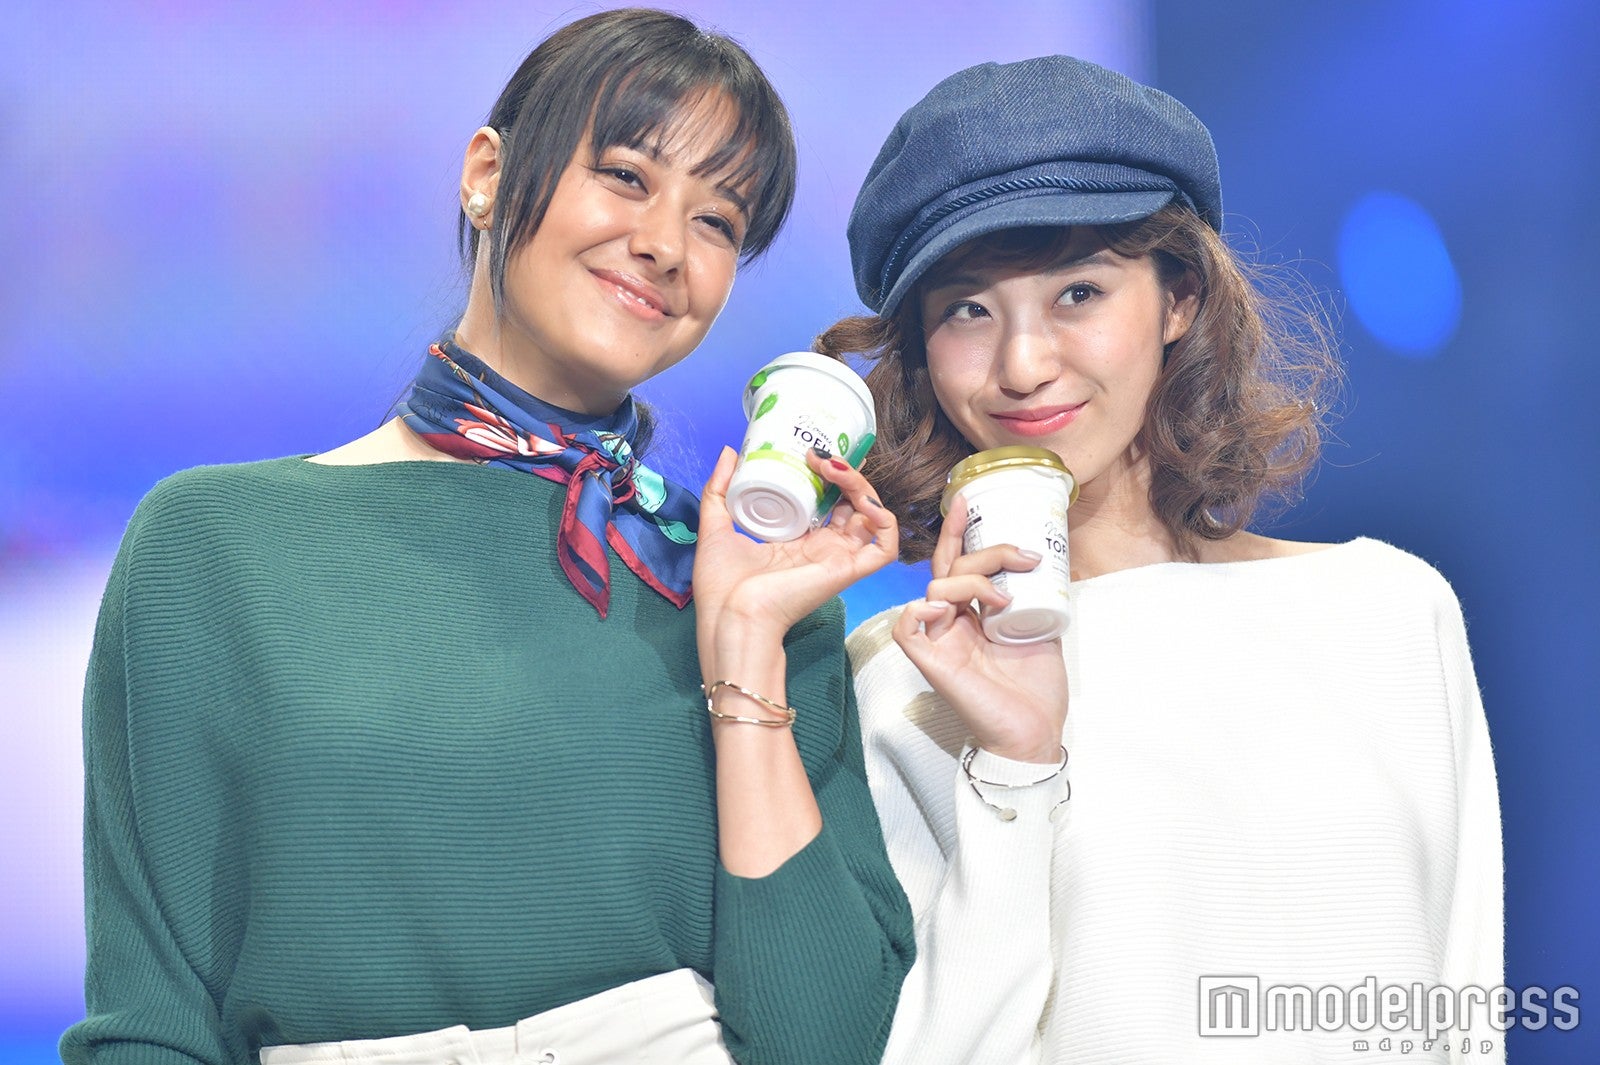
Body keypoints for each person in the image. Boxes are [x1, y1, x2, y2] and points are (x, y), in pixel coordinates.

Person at [61, 10, 913, 1065]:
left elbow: (824, 1041)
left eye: (717, 222)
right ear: (487, 176)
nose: (663, 246)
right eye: (626, 176)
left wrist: (744, 650)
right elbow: (151, 1023)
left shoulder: (753, 591)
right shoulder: (212, 545)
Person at [820, 56, 1503, 1064]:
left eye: (1078, 292)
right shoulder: (902, 678)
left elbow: (1462, 1000)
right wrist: (1011, 764)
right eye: (966, 309)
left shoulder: (1391, 610)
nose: (1022, 364)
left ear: (1178, 297)